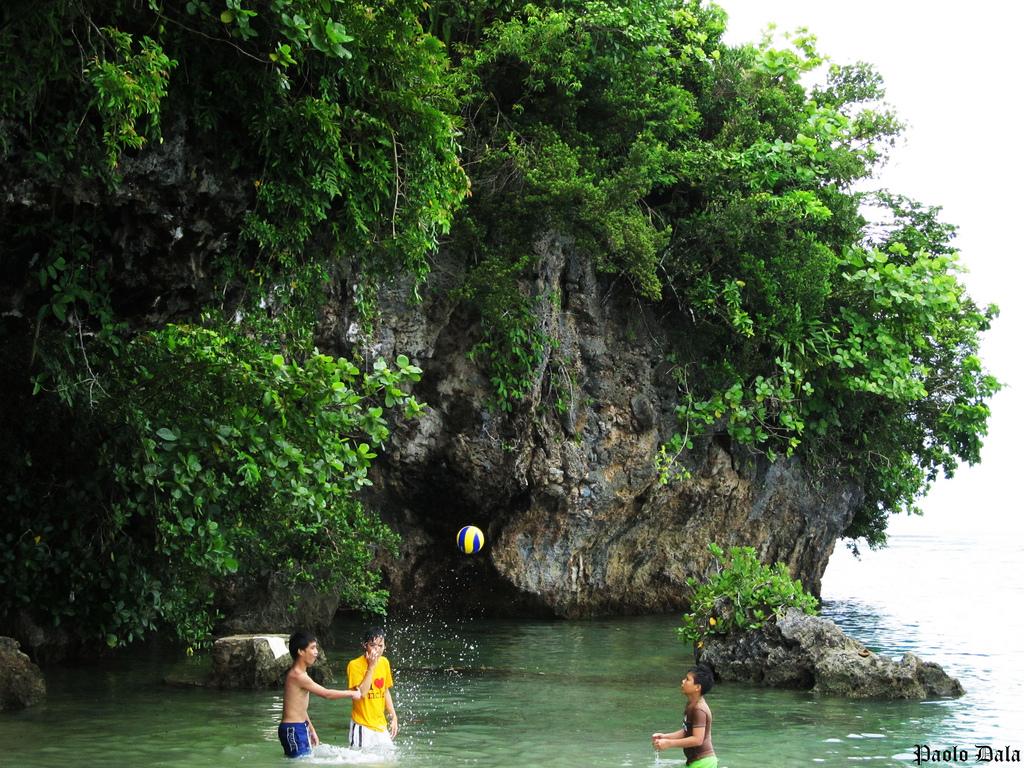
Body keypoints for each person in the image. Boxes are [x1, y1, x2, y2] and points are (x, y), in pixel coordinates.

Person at [279, 630, 362, 758]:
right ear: (301, 652)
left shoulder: (301, 674)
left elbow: (300, 709)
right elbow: (326, 694)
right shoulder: (298, 675)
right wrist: (351, 693)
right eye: (312, 648)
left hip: (299, 727)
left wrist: (311, 730)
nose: (316, 652)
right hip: (293, 729)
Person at [651, 663, 718, 767]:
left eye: (687, 679)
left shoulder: (699, 709)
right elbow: (686, 731)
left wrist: (669, 743)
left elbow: (697, 739)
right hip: (696, 762)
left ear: (697, 687)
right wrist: (665, 737)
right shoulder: (691, 704)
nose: (683, 681)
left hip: (703, 763)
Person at [346, 626, 399, 749]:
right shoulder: (354, 665)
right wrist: (371, 667)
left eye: (380, 646)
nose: (377, 649)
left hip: (380, 725)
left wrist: (393, 716)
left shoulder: (384, 662)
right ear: (365, 646)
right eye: (373, 645)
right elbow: (362, 694)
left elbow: (385, 691)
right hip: (362, 725)